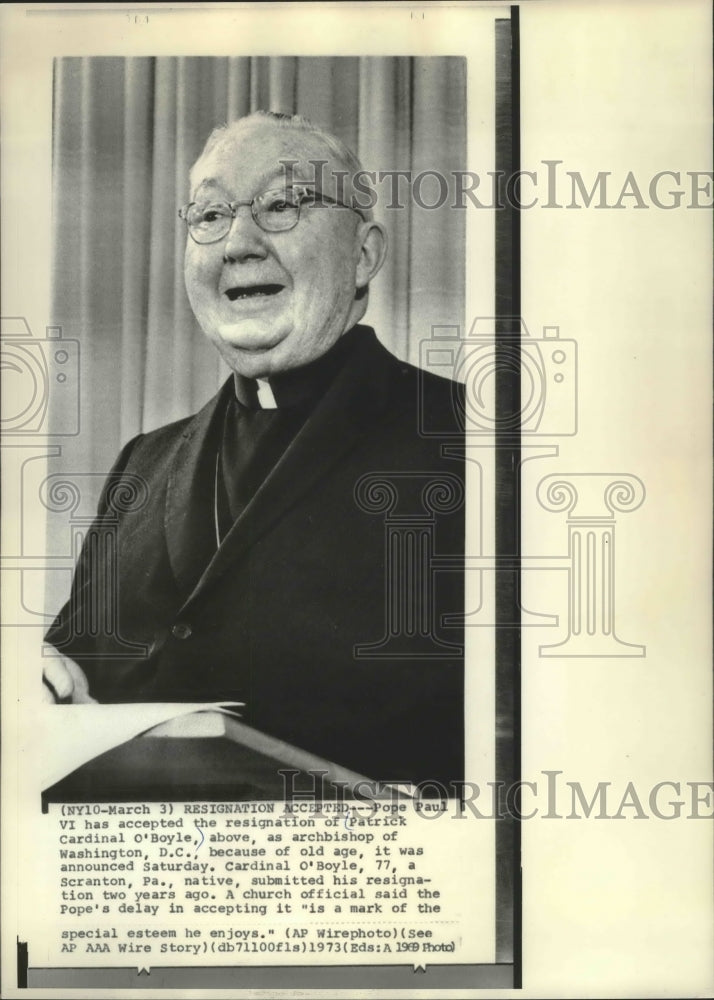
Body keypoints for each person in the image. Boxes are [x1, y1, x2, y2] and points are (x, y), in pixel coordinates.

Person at [43, 111, 466, 786]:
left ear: (364, 255)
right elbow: (70, 668)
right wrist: (42, 675)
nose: (238, 241)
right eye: (209, 215)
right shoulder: (141, 464)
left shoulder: (471, 440)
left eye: (284, 204)